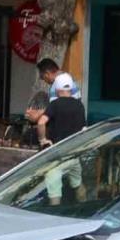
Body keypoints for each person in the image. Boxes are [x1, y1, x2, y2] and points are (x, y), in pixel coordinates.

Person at [38, 72, 87, 206]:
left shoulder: (55, 105)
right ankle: (84, 208)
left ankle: (54, 214)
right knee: (78, 184)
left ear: (57, 89)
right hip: (74, 154)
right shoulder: (79, 105)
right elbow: (83, 129)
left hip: (57, 156)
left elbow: (41, 122)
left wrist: (43, 140)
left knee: (54, 191)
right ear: (70, 88)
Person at [25, 58, 80, 124]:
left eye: (42, 77)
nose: (44, 80)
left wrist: (37, 115)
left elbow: (55, 111)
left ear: (47, 74)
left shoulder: (56, 86)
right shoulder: (69, 79)